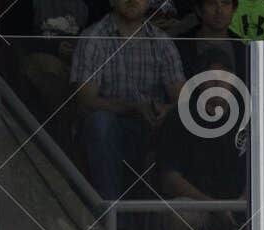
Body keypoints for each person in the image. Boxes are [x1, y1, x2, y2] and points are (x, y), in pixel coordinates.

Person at [71, 0, 185, 199]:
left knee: (179, 122)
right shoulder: (94, 37)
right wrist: (134, 107)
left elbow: (182, 99)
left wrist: (166, 110)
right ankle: (110, 215)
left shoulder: (162, 42)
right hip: (110, 129)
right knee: (101, 123)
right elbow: (86, 100)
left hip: (152, 128)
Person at [156, 62, 249, 230]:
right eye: (211, 79)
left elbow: (263, 171)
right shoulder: (179, 117)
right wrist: (214, 206)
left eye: (224, 79)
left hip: (242, 205)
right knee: (181, 214)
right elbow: (170, 178)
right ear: (199, 83)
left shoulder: (248, 116)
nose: (217, 85)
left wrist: (243, 203)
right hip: (197, 203)